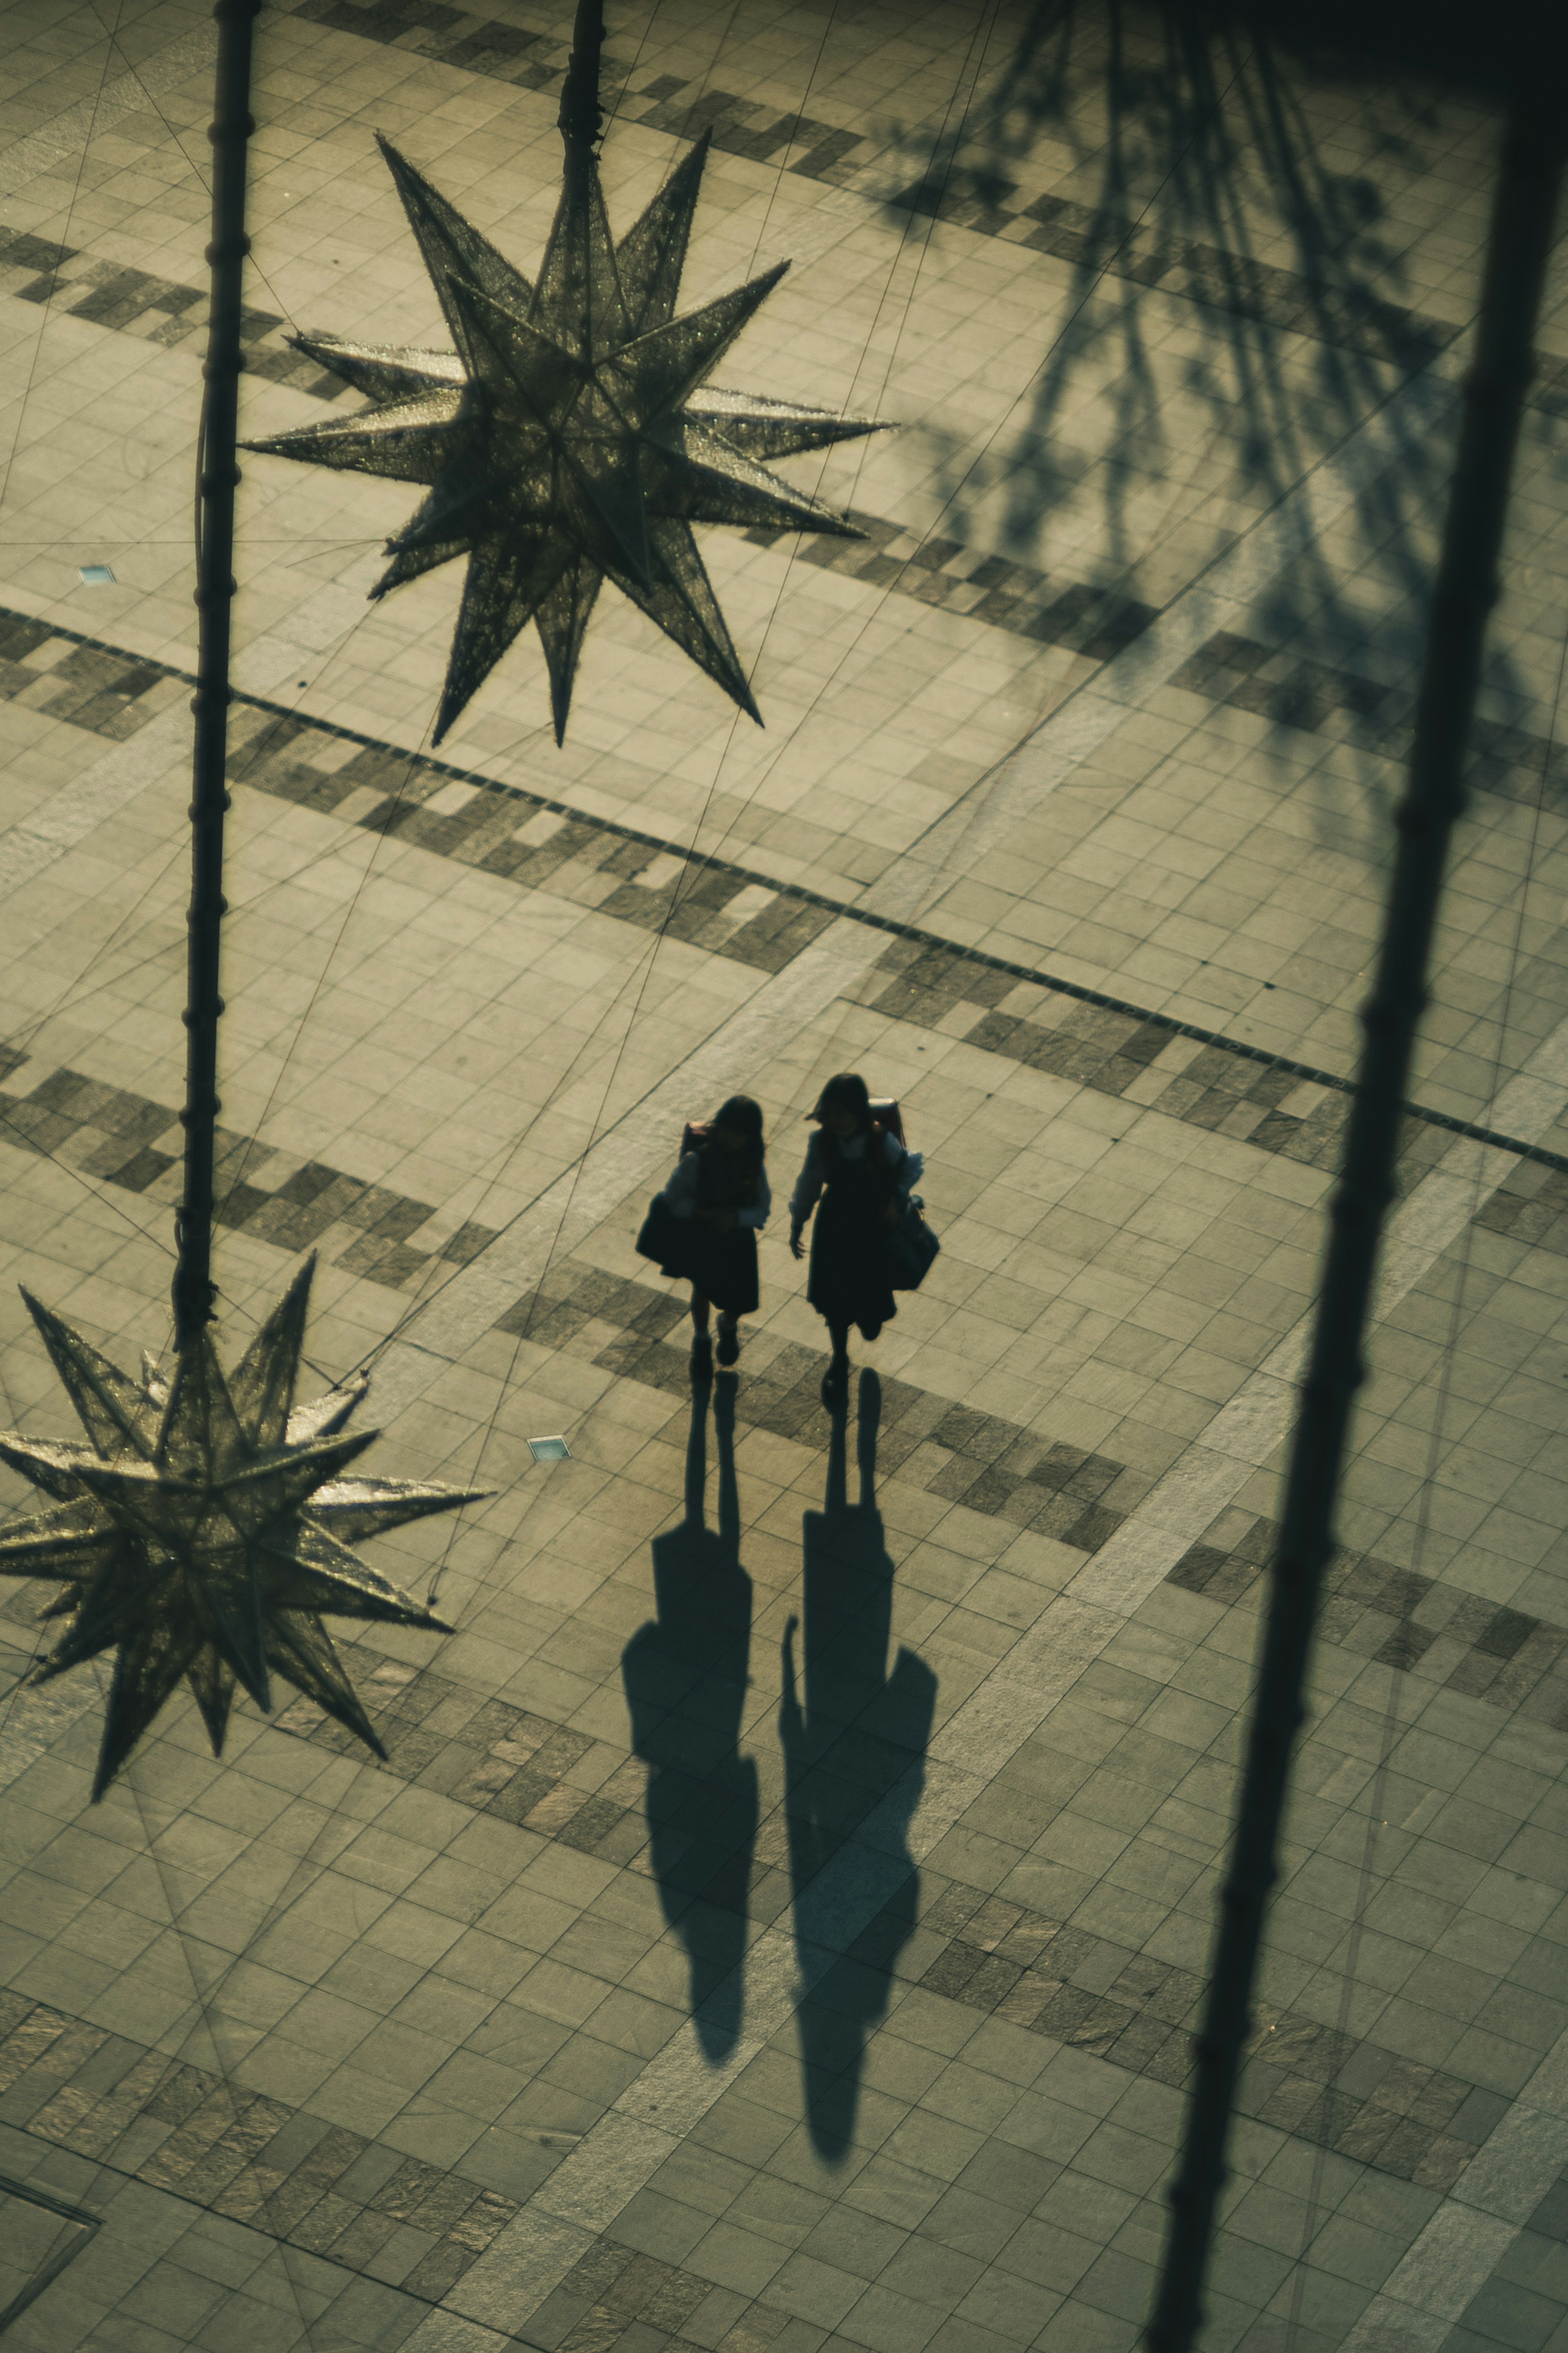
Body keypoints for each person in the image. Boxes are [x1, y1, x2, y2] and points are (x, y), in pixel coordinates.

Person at [788, 1073, 923, 1407]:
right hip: (836, 1227)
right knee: (835, 1301)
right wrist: (797, 1222)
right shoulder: (822, 1143)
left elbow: (909, 1167)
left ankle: (868, 1316)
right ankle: (839, 1358)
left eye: (841, 1113)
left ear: (857, 1113)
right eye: (829, 1112)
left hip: (870, 1228)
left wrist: (896, 1200)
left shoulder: (880, 1141)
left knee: (869, 1308)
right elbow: (809, 1183)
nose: (833, 1120)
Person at [658, 1095, 770, 1375]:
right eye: (728, 1129)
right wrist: (700, 1213)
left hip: (737, 1241)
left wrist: (737, 1218)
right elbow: (673, 1198)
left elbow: (762, 1208)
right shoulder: (698, 1161)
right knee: (703, 1288)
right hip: (704, 1236)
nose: (731, 1138)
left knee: (741, 1300)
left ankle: (728, 1324)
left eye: (740, 1133)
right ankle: (701, 1339)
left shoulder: (753, 1168)